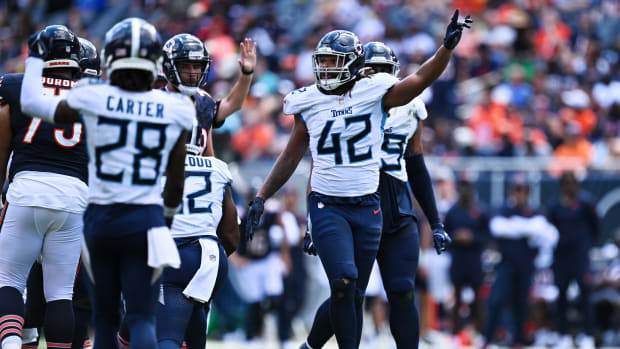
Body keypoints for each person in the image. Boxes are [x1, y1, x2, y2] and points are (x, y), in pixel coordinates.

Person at [245, 10, 471, 349]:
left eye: (335, 62)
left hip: (372, 206)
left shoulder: (377, 94)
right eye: (323, 62)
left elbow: (420, 81)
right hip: (328, 203)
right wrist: (262, 197)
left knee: (370, 290)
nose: (326, 69)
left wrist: (446, 49)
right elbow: (293, 157)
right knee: (345, 283)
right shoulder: (309, 101)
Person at [20, 18, 196, 349]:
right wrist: (166, 218)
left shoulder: (92, 96)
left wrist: (34, 57)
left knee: (104, 321)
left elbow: (31, 103)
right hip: (146, 218)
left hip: (100, 220)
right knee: (142, 318)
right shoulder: (177, 108)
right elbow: (175, 183)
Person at [300, 40, 454, 349]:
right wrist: (311, 223)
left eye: (386, 72)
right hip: (354, 206)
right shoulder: (343, 105)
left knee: (402, 290)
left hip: (395, 209)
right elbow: (321, 167)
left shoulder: (410, 107)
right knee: (347, 291)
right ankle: (310, 346)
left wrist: (435, 222)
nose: (381, 79)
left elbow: (417, 165)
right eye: (373, 72)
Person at [0, 25, 85, 349]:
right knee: (60, 294)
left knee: (8, 281)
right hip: (74, 196)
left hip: (27, 188)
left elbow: (2, 143)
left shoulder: (15, 85)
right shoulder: (91, 93)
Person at [20, 35, 102, 349]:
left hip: (33, 199)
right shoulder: (99, 102)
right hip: (81, 210)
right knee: (69, 298)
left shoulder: (28, 94)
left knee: (30, 294)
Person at [156, 121, 240, 349]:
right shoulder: (218, 167)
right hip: (211, 256)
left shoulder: (152, 164)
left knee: (168, 337)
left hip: (174, 255)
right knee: (193, 336)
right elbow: (231, 235)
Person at [484, 176, 558, 347]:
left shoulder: (535, 211)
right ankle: (488, 339)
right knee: (496, 300)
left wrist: (514, 225)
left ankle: (518, 340)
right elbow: (497, 227)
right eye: (517, 189)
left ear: (528, 192)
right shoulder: (503, 209)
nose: (520, 194)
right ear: (511, 191)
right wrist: (526, 227)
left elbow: (543, 230)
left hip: (526, 265)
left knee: (521, 304)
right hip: (506, 263)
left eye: (523, 190)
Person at [161, 33, 256, 156]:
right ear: (168, 68)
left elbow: (233, 104)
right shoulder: (156, 101)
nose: (192, 73)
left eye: (196, 67)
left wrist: (246, 74)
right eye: (185, 66)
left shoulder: (204, 101)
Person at [548, 172, 598, 348]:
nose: (570, 187)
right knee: (561, 296)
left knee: (586, 296)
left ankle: (588, 335)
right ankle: (563, 335)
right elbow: (550, 229)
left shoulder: (585, 203)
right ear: (561, 185)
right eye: (566, 183)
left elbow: (595, 227)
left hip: (580, 258)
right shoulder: (554, 205)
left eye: (572, 183)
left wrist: (584, 246)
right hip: (561, 258)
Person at [444, 176, 490, 335]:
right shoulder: (452, 212)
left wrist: (472, 237)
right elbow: (445, 235)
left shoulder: (480, 210)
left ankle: (480, 332)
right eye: (462, 186)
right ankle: (456, 331)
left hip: (474, 260)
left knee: (478, 298)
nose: (465, 190)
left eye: (467, 186)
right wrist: (456, 237)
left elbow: (487, 236)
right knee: (456, 297)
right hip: (458, 259)